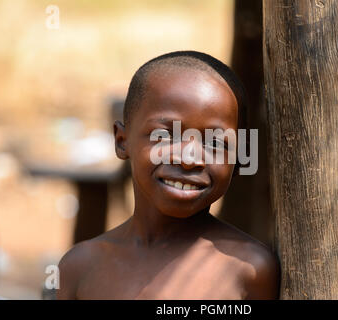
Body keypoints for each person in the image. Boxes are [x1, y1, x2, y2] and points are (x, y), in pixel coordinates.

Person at [57, 51, 279, 299]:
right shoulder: (80, 268)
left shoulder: (249, 270)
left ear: (239, 158)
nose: (189, 158)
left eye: (215, 142)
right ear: (122, 141)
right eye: (165, 136)